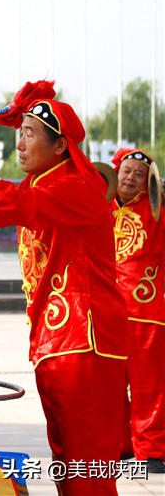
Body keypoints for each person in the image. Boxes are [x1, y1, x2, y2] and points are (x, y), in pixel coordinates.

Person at [0, 99, 129, 495]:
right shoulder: (41, 184)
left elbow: (4, 201)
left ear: (60, 146)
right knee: (69, 462)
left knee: (87, 467)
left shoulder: (78, 186)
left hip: (86, 340)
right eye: (19, 132)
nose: (20, 143)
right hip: (58, 340)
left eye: (29, 134)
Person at [110, 147, 165, 474]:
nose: (130, 177)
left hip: (147, 310)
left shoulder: (157, 210)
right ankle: (121, 446)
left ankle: (152, 449)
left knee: (150, 385)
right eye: (126, 171)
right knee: (111, 385)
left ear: (148, 183)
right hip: (104, 312)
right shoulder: (99, 208)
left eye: (139, 174)